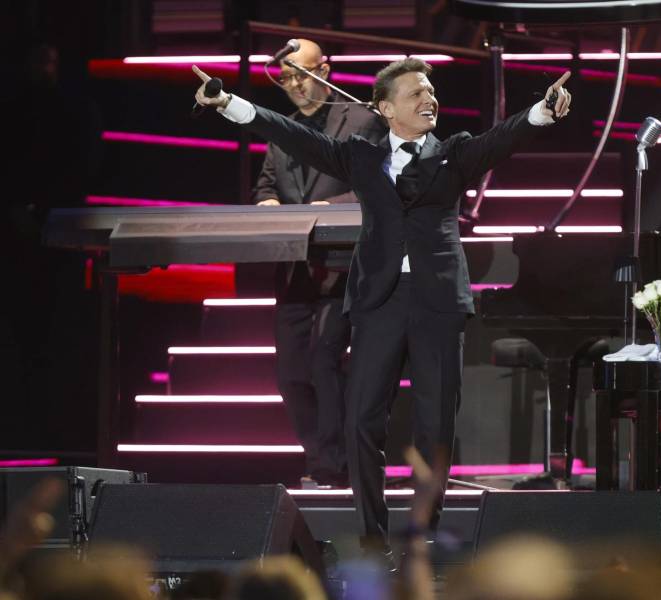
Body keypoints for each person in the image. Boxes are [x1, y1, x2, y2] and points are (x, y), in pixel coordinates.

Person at [192, 58, 571, 564]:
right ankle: (373, 537)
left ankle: (423, 535)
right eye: (416, 93)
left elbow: (501, 138)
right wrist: (228, 104)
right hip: (378, 302)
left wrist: (543, 111)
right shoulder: (361, 157)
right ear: (387, 108)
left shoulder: (454, 153)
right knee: (361, 421)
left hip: (437, 303)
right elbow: (293, 135)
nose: (428, 99)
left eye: (431, 91)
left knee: (435, 425)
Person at [252, 39, 385, 488]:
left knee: (324, 361)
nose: (293, 84)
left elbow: (376, 185)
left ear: (324, 70)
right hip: (295, 268)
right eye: (286, 77)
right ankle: (319, 457)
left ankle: (336, 464)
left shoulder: (361, 120)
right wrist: (268, 201)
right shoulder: (283, 129)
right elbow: (265, 185)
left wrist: (331, 206)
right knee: (290, 374)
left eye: (300, 74)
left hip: (342, 266)